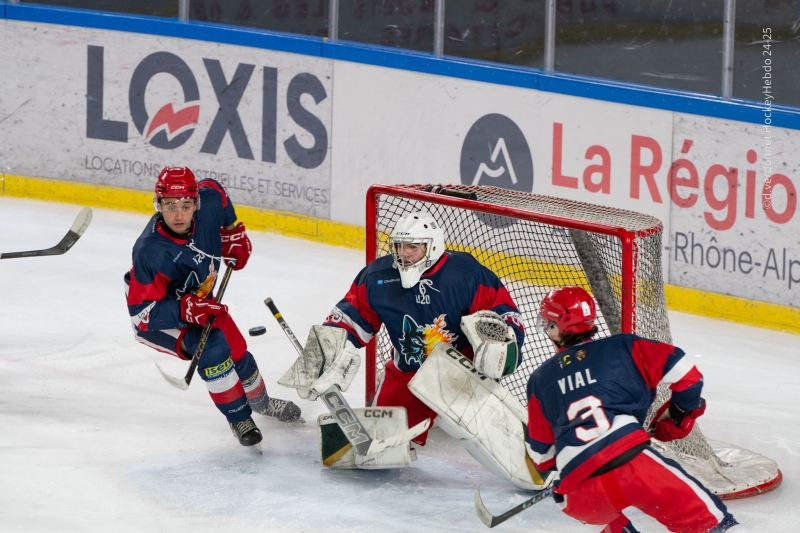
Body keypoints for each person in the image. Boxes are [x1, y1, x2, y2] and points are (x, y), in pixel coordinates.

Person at [279, 211, 549, 489]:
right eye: (399, 246)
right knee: (374, 453)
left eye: (413, 246)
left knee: (511, 452)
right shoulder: (378, 277)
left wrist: (503, 347)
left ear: (431, 246)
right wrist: (323, 355)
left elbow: (506, 315)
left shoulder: (465, 274)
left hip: (461, 375)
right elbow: (349, 319)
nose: (404, 254)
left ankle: (549, 464)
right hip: (408, 374)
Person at [525, 286, 738, 533]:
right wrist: (680, 413)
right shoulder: (624, 347)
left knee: (605, 521)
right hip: (633, 466)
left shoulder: (539, 379)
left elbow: (542, 459)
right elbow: (688, 374)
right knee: (712, 525)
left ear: (555, 328)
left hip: (577, 494)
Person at [124, 167, 301, 449]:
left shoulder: (207, 204)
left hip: (200, 302)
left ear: (196, 203)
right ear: (158, 205)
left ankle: (263, 403)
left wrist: (231, 231)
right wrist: (186, 309)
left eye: (185, 205)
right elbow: (141, 315)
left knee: (238, 352)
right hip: (160, 317)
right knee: (213, 348)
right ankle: (240, 418)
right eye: (170, 206)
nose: (179, 215)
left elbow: (216, 189)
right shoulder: (150, 251)